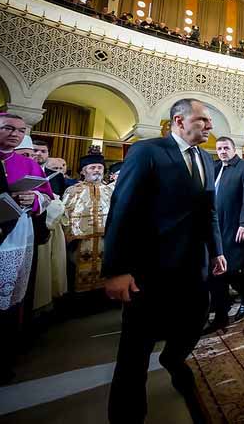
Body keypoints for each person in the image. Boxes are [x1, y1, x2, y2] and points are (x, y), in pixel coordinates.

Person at [102, 99, 227, 423]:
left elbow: (209, 210)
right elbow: (122, 209)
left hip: (194, 267)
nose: (210, 126)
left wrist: (217, 250)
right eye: (203, 120)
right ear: (179, 121)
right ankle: (127, 417)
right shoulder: (148, 152)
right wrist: (116, 270)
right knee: (135, 352)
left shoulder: (206, 159)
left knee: (193, 324)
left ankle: (172, 359)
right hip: (150, 271)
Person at [0, 114, 54, 383]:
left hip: (17, 236)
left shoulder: (28, 164)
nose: (15, 134)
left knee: (10, 299)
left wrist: (33, 199)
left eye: (21, 130)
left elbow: (47, 196)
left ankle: (4, 358)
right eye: (8, 128)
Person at [207, 137, 244, 330]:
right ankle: (221, 314)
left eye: (226, 148)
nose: (222, 151)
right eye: (219, 148)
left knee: (234, 270)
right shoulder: (214, 167)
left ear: (233, 149)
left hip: (235, 226)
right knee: (217, 272)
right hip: (216, 228)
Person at [61, 153, 114, 295]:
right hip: (80, 241)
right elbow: (64, 214)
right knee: (77, 269)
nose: (97, 170)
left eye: (100, 167)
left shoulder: (110, 191)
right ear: (83, 172)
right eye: (92, 167)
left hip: (105, 239)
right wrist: (71, 234)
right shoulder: (73, 191)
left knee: (103, 270)